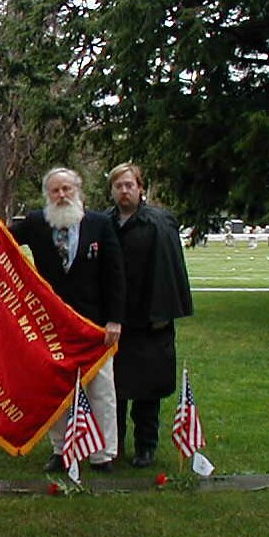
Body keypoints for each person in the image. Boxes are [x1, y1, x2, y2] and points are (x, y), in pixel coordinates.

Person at [10, 167, 125, 472]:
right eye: (55, 191)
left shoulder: (101, 224)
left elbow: (115, 275)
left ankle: (103, 454)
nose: (61, 196)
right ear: (47, 195)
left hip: (94, 324)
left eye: (67, 190)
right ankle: (61, 450)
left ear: (78, 191)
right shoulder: (36, 223)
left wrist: (114, 319)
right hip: (51, 324)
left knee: (101, 388)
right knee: (55, 387)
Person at [106, 163, 193, 467]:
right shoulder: (105, 223)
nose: (124, 190)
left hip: (149, 319)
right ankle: (111, 446)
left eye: (130, 184)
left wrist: (162, 314)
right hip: (115, 320)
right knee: (111, 390)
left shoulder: (158, 223)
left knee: (147, 391)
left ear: (140, 188)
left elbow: (169, 272)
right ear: (112, 190)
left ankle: (146, 446)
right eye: (118, 185)